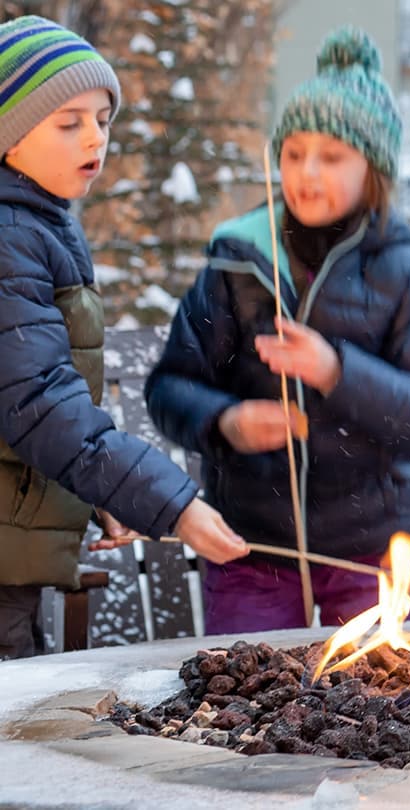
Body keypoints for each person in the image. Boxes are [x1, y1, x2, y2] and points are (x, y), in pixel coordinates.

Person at [147, 27, 410, 633]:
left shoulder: (408, 274)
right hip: (253, 549)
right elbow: (169, 388)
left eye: (332, 156)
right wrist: (225, 422)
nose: (306, 172)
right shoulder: (238, 262)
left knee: (377, 714)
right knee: (244, 706)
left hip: (375, 550)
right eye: (293, 153)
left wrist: (336, 371)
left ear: (373, 168)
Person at [0, 15, 248, 659]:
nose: (95, 137)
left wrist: (95, 498)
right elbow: (39, 405)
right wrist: (171, 504)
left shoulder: (38, 223)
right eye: (68, 121)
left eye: (103, 119)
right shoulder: (8, 238)